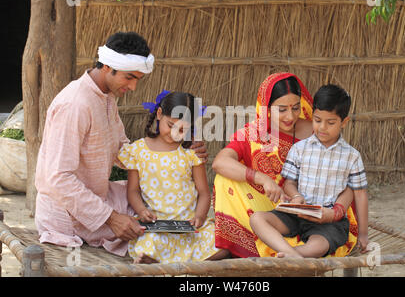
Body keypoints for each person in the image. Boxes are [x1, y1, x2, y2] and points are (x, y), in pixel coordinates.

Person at [34, 32, 208, 256]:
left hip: (99, 195)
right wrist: (112, 219)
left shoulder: (106, 97)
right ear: (107, 66)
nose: (133, 87)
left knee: (157, 200)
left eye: (137, 79)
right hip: (66, 213)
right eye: (129, 77)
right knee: (148, 224)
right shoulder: (75, 104)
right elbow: (59, 178)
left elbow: (123, 151)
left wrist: (176, 150)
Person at [212, 73, 358, 258]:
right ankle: (285, 252)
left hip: (318, 210)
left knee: (321, 238)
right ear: (267, 108)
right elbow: (220, 162)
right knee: (225, 179)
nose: (290, 116)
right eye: (282, 110)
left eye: (296, 108)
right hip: (277, 208)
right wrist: (262, 178)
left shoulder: (317, 130)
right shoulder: (253, 133)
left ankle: (288, 253)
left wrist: (332, 211)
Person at [250, 84, 369, 258]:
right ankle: (294, 255)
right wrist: (297, 197)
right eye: (317, 120)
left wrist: (364, 234)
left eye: (330, 122)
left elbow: (360, 195)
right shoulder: (299, 149)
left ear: (344, 122)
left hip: (329, 220)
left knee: (320, 244)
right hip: (297, 214)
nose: (322, 127)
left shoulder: (352, 156)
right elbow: (289, 183)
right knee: (257, 219)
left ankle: (292, 255)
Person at [118, 91, 228, 263]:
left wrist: (199, 216)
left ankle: (175, 265)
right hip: (158, 225)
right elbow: (133, 190)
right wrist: (141, 211)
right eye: (170, 125)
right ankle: (167, 262)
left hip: (188, 226)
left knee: (222, 242)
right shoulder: (138, 151)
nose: (175, 133)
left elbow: (204, 192)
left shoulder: (191, 152)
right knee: (149, 243)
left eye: (183, 129)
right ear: (160, 115)